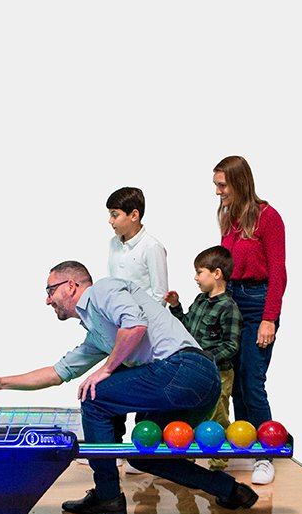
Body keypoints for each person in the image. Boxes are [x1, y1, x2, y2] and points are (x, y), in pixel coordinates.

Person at [0, 261, 259, 514]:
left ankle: (107, 496)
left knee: (94, 397)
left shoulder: (103, 290)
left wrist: (106, 369)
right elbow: (57, 373)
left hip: (185, 369)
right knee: (146, 454)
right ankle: (229, 490)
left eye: (50, 290)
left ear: (71, 286)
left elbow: (135, 326)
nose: (47, 300)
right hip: (199, 384)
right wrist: (2, 383)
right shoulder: (98, 334)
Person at [213, 156, 287, 486]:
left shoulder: (268, 218)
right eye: (216, 185)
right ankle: (245, 442)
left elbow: (278, 272)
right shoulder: (228, 217)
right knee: (235, 380)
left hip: (258, 303)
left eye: (222, 185)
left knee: (252, 379)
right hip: (232, 302)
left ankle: (265, 455)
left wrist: (269, 319)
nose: (218, 192)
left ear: (239, 183)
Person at [105, 186, 169, 475]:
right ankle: (114, 450)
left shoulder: (152, 247)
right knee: (112, 385)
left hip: (144, 332)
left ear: (134, 215)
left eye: (115, 215)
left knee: (143, 390)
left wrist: (141, 325)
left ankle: (143, 451)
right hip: (119, 327)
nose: (110, 221)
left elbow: (159, 293)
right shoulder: (113, 244)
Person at [164, 245, 242, 470]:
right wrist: (176, 307)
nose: (196, 277)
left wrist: (206, 357)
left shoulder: (229, 308)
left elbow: (231, 345)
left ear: (216, 274)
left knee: (217, 416)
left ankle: (219, 465)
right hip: (197, 370)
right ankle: (187, 461)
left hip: (219, 373)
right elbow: (187, 327)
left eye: (200, 272)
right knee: (192, 413)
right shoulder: (200, 300)